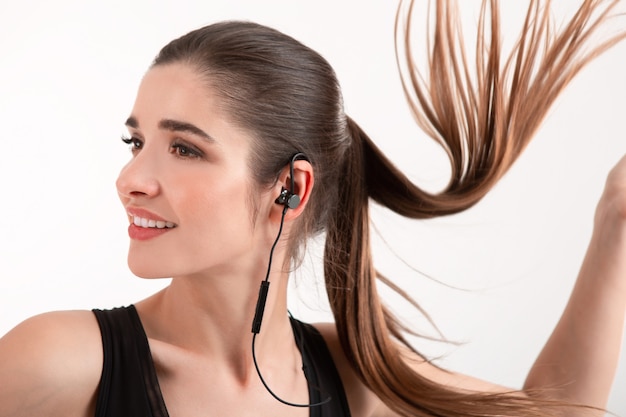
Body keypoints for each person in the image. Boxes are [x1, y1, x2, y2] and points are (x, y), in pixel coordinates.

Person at [0, 0, 625, 416]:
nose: (131, 178)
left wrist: (615, 223)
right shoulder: (61, 359)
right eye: (137, 143)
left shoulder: (354, 375)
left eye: (184, 148)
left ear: (290, 188)